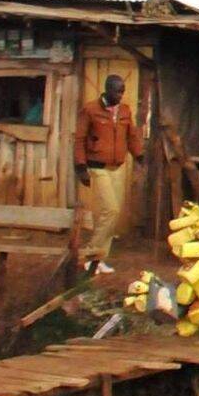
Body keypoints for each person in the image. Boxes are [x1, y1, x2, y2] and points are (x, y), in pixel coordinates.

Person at [73, 73, 143, 274]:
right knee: (110, 210)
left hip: (117, 167)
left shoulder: (125, 111)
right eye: (117, 91)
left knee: (112, 214)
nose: (120, 95)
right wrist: (81, 167)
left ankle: (99, 259)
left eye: (123, 91)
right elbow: (79, 139)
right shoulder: (90, 110)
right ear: (107, 89)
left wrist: (139, 156)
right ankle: (90, 253)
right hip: (97, 167)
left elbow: (131, 136)